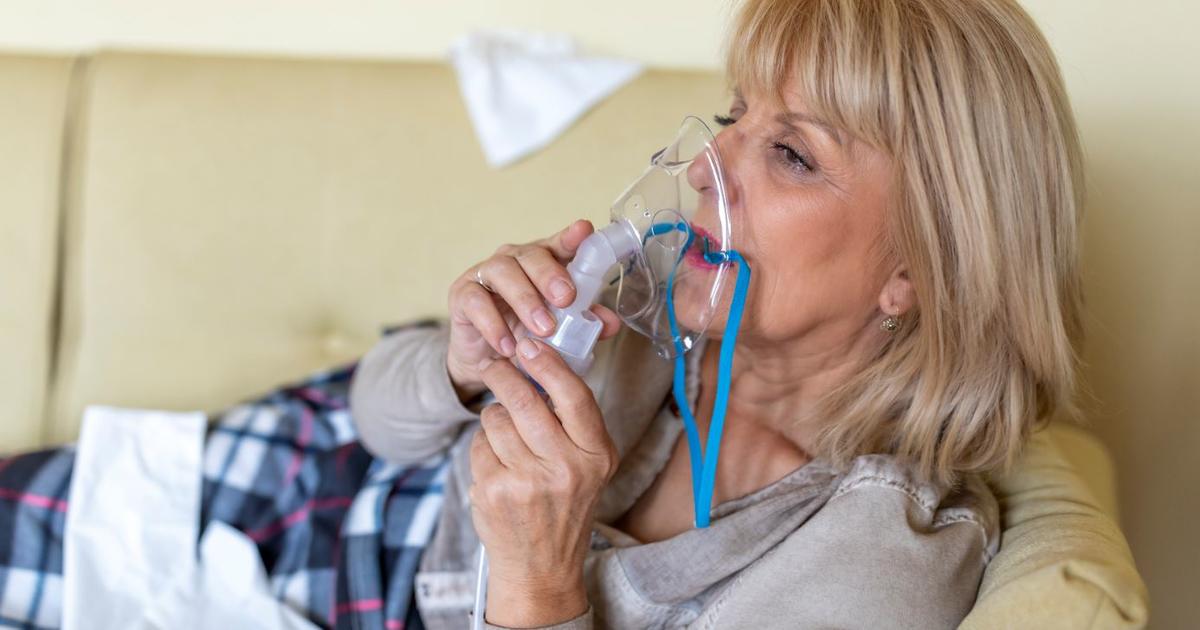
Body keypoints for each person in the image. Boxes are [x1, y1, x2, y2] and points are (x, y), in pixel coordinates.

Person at [350, 0, 1085, 627]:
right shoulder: (643, 310)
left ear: (918, 269)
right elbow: (372, 415)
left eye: (792, 154)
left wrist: (537, 583)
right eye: (732, 115)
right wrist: (464, 362)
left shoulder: (877, 567)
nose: (701, 168)